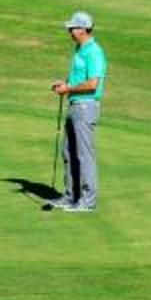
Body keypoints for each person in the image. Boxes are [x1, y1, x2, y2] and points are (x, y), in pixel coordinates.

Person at [46, 11, 105, 212]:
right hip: (74, 105)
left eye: (72, 28)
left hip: (86, 106)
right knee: (68, 152)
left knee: (84, 154)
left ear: (83, 29)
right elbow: (78, 78)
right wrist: (64, 84)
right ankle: (71, 196)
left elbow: (92, 83)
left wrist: (69, 88)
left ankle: (88, 201)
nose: (70, 31)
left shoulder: (94, 52)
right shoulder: (79, 49)